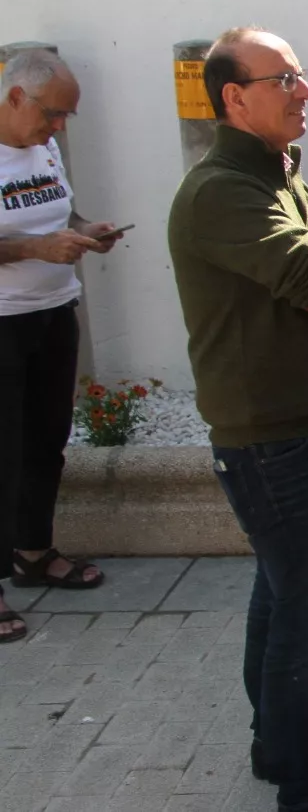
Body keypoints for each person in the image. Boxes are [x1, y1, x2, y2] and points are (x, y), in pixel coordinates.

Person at [167, 27, 308, 812]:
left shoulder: (279, 174)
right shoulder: (223, 190)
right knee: (307, 605)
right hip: (265, 435)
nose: (305, 91)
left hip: (301, 420)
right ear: (234, 98)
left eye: (302, 75)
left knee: (279, 592)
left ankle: (272, 741)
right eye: (285, 79)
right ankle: (294, 782)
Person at [0, 49, 123, 644]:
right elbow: (24, 238)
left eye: (67, 117)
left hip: (52, 310)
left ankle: (32, 550)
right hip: (3, 319)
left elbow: (54, 206)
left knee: (45, 440)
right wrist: (32, 251)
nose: (59, 129)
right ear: (16, 96)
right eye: (52, 115)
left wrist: (82, 230)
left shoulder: (41, 145)